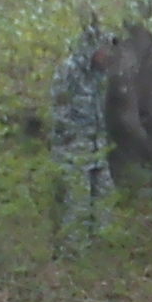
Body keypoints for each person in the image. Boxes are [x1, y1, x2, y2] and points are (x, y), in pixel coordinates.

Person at [50, 23, 115, 257]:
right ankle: (73, 255)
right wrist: (73, 138)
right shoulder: (68, 71)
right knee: (78, 204)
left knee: (105, 198)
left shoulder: (100, 75)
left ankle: (101, 252)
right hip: (74, 151)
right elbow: (59, 110)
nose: (109, 55)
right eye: (105, 49)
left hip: (98, 149)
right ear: (92, 49)